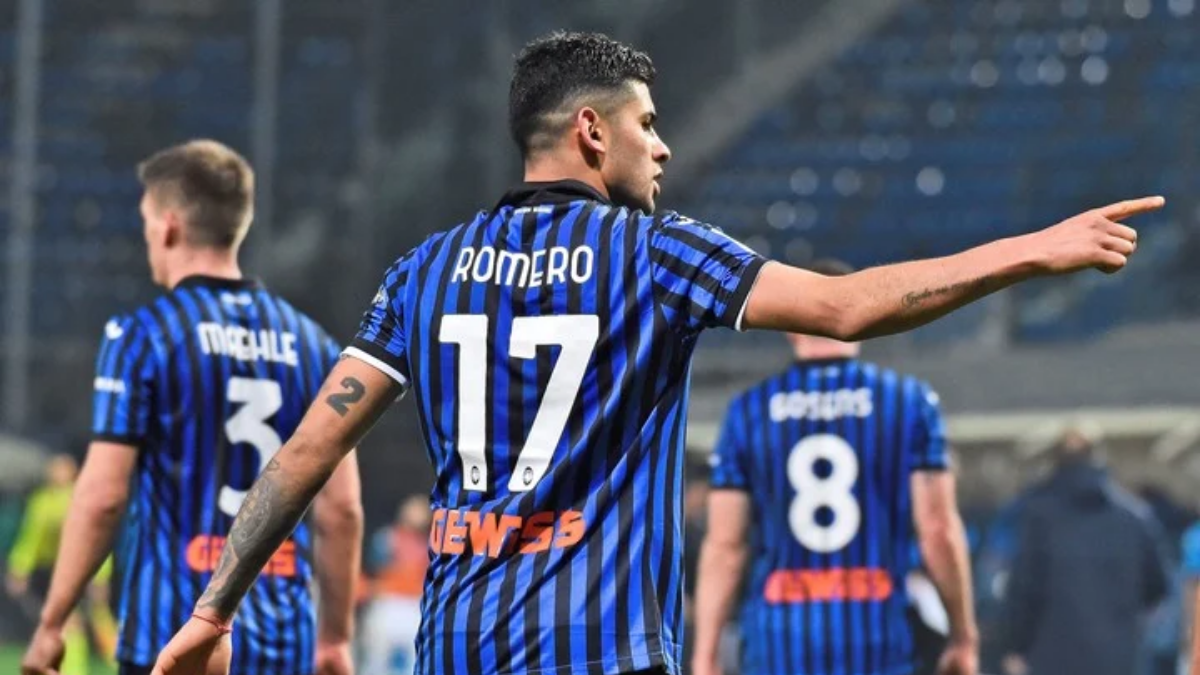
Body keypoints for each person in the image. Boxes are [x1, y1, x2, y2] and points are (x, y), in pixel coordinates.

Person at [151, 31, 1157, 675]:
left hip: (457, 645)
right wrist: (1029, 251)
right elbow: (845, 309)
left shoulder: (426, 269)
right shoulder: (654, 253)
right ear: (592, 131)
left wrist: (212, 611)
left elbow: (307, 452)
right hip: (602, 647)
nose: (663, 146)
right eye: (647, 124)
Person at [19, 140, 364, 675]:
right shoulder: (314, 346)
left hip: (171, 638)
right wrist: (335, 638)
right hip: (281, 643)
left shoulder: (143, 336)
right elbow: (341, 512)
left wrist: (52, 622)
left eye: (146, 222)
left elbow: (103, 496)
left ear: (169, 226)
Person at [692, 259, 977, 675]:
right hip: (877, 638)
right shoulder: (908, 402)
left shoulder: (748, 412)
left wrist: (705, 653)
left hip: (779, 644)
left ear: (789, 324)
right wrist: (962, 636)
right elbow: (938, 531)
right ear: (864, 314)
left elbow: (726, 547)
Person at [1000, 429, 1169, 675]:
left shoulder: (1039, 518)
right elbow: (1157, 587)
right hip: (1118, 658)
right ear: (1098, 457)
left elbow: (1024, 590)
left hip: (1051, 657)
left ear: (1056, 460)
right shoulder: (1134, 517)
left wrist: (1015, 647)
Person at [8, 455, 117, 675]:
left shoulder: (82, 498)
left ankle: (120, 663)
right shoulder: (41, 501)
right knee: (69, 623)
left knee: (98, 619)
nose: (57, 473)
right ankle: (74, 669)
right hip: (53, 571)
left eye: (63, 468)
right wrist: (19, 567)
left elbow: (97, 539)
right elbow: (31, 538)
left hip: (83, 569)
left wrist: (100, 576)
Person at [360, 495, 432, 675]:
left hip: (416, 608)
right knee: (376, 664)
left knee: (413, 663)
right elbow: (373, 573)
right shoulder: (386, 539)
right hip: (388, 605)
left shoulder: (431, 546)